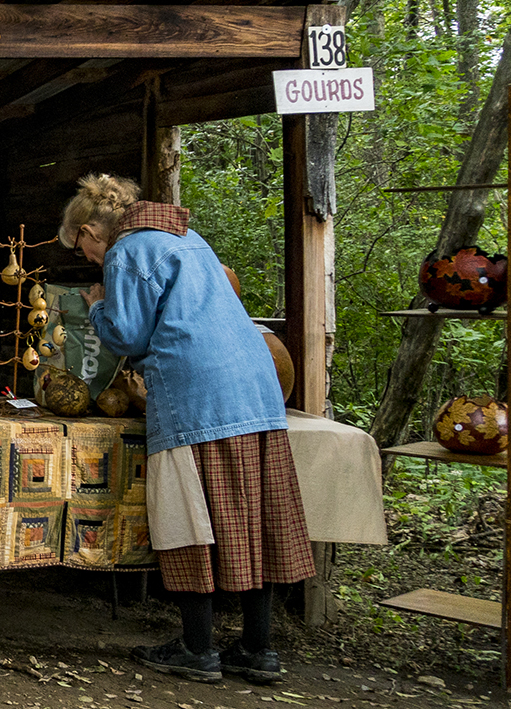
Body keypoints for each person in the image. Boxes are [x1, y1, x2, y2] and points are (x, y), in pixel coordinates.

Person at [58, 174, 314, 685]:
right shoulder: (187, 238)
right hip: (257, 387)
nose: (87, 257)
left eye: (82, 246)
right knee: (251, 520)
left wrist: (97, 306)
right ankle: (257, 650)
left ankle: (199, 649)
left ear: (91, 228)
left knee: (188, 516)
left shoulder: (127, 251)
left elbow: (130, 333)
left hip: (197, 393)